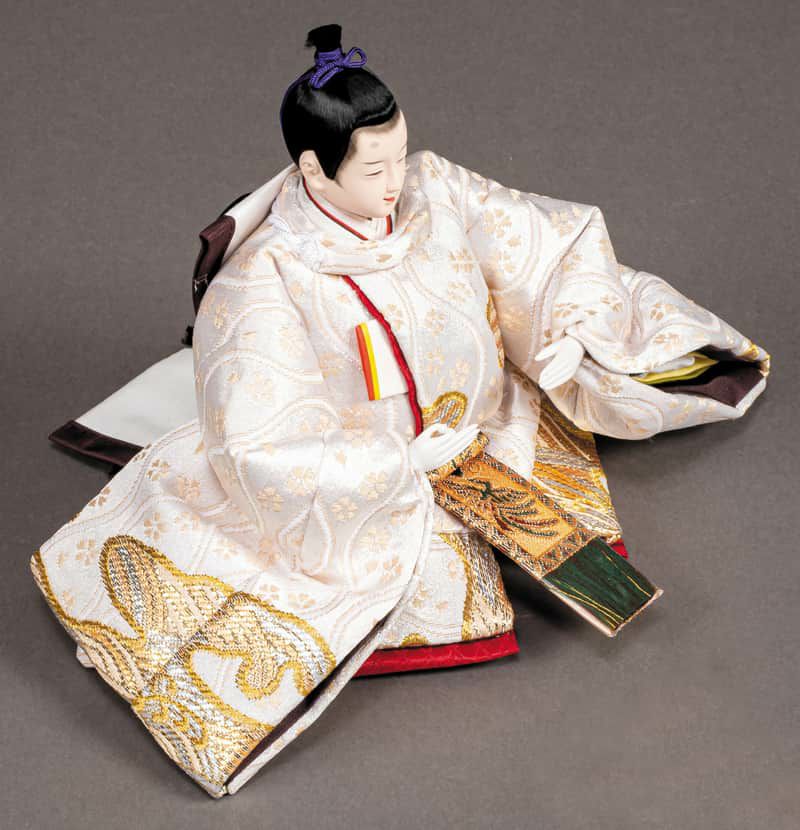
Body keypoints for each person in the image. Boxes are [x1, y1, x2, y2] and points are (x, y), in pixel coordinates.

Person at [30, 23, 769, 798]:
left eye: (401, 155)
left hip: (488, 422)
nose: (396, 183)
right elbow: (255, 435)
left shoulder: (433, 189)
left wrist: (573, 333)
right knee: (365, 585)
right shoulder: (263, 279)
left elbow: (549, 246)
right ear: (313, 170)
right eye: (374, 167)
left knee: (551, 484)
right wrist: (393, 463)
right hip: (370, 465)